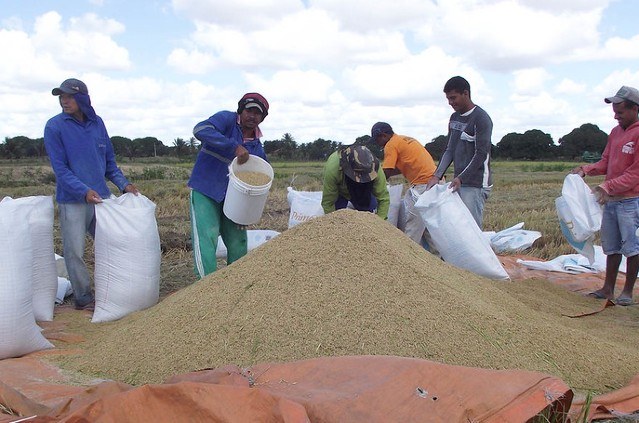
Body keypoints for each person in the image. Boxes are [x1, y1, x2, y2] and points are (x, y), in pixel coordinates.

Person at [44, 78, 139, 311]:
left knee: (112, 244)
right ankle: (83, 297)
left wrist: (124, 185)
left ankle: (115, 288)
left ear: (82, 98)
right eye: (61, 97)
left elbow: (109, 163)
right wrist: (83, 191)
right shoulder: (55, 126)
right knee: (74, 251)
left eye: (68, 96)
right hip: (73, 201)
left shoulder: (97, 124)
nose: (64, 101)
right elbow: (61, 169)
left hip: (102, 200)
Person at [188, 92, 270, 277]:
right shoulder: (226, 120)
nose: (252, 116)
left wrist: (248, 212)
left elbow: (260, 181)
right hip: (206, 190)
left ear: (262, 118)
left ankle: (234, 286)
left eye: (258, 113)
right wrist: (233, 147)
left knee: (238, 241)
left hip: (234, 199)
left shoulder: (257, 148)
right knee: (207, 239)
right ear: (241, 110)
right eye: (249, 110)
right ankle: (205, 288)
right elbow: (200, 129)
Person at [571, 85, 639, 306]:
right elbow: (606, 162)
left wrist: (607, 186)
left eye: (620, 111)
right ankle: (607, 288)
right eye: (614, 111)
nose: (615, 115)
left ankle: (627, 291)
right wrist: (586, 170)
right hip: (611, 202)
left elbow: (635, 173)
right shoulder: (615, 133)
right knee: (611, 246)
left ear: (634, 109)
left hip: (631, 201)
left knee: (631, 246)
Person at [426, 76, 493, 229]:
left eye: (453, 98)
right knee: (457, 227)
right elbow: (449, 149)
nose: (450, 103)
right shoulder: (454, 118)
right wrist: (436, 176)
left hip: (475, 183)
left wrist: (461, 178)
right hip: (459, 182)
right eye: (448, 99)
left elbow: (481, 154)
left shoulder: (481, 119)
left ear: (466, 93)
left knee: (471, 229)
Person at [371, 122, 437, 245]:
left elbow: (387, 172)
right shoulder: (403, 139)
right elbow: (400, 168)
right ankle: (437, 259)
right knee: (428, 225)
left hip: (422, 185)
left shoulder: (390, 145)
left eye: (376, 139)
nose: (376, 143)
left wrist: (373, 184)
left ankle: (408, 258)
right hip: (434, 182)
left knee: (413, 224)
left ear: (383, 135)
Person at [321, 145, 389, 219]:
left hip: (364, 189)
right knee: (337, 214)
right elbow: (328, 202)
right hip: (341, 191)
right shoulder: (333, 169)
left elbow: (383, 198)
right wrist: (331, 223)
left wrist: (380, 223)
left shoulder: (375, 169)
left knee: (367, 211)